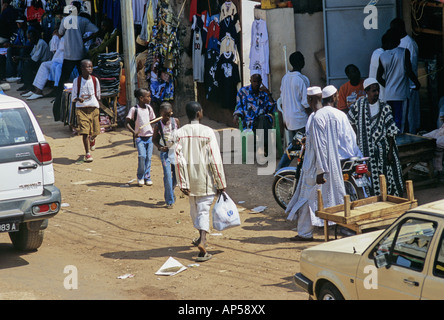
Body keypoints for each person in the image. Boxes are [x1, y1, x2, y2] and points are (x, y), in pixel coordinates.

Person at [285, 86, 345, 241]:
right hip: (331, 163)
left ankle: (304, 233)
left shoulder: (317, 117)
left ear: (310, 99)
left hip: (315, 167)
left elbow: (320, 146)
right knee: (332, 197)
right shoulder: (330, 115)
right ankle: (339, 230)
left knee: (306, 198)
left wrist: (320, 171)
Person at [174, 101, 226, 261]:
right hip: (206, 178)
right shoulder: (208, 132)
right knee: (203, 210)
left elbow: (178, 159)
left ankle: (199, 237)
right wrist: (220, 183)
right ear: (199, 113)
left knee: (194, 209)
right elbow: (214, 159)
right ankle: (203, 241)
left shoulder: (179, 133)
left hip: (189, 179)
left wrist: (182, 182)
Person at [348, 78, 404, 197]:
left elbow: (391, 132)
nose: (376, 93)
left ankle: (387, 198)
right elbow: (350, 120)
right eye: (374, 91)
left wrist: (390, 152)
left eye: (377, 90)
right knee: (369, 178)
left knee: (386, 177)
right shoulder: (359, 105)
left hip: (384, 151)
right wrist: (357, 135)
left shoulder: (385, 107)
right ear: (367, 91)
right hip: (366, 151)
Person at [52, 1, 99, 121]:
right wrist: (85, 38)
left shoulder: (65, 20)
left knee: (62, 83)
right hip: (81, 55)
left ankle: (57, 113)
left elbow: (60, 33)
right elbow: (96, 30)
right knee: (87, 80)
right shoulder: (84, 21)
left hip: (68, 55)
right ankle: (92, 107)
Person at [377, 28, 420, 133]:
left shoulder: (382, 56)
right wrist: (417, 84)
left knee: (390, 123)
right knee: (401, 123)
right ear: (397, 40)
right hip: (401, 95)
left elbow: (378, 77)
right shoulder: (404, 52)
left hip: (388, 95)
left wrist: (388, 85)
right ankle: (400, 146)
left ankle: (392, 145)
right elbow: (409, 72)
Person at [277, 51, 310, 169]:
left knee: (293, 146)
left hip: (289, 119)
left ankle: (280, 169)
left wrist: (284, 118)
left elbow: (283, 98)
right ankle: (301, 171)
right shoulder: (302, 79)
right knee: (305, 146)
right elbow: (306, 103)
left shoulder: (285, 78)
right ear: (302, 63)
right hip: (301, 119)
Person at [233, 73, 276, 155]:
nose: (256, 84)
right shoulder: (243, 92)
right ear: (250, 81)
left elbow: (272, 109)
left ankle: (263, 146)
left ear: (261, 82)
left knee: (263, 119)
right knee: (263, 122)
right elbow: (239, 106)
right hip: (250, 122)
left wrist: (268, 94)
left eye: (258, 82)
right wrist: (236, 115)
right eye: (254, 81)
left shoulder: (264, 93)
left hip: (263, 121)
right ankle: (265, 147)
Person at [391, 18, 420, 134]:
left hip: (409, 86)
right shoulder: (395, 42)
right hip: (400, 86)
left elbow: (410, 67)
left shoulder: (409, 43)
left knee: (410, 115)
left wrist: (414, 83)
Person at [321, 85, 363, 161]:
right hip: (343, 158)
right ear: (333, 97)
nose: (338, 99)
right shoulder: (340, 115)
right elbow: (349, 137)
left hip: (325, 159)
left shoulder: (316, 115)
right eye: (337, 96)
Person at [124, 88, 156, 187]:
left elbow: (152, 121)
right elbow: (127, 123)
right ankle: (140, 176)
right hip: (140, 138)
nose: (150, 98)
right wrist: (134, 132)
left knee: (148, 158)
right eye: (148, 96)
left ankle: (147, 176)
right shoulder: (134, 109)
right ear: (141, 98)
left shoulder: (149, 108)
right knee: (142, 156)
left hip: (149, 137)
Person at [72, 59, 101, 163]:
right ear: (82, 69)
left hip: (93, 108)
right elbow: (74, 96)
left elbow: (98, 94)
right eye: (87, 67)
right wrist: (79, 99)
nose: (90, 69)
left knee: (96, 131)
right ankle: (87, 153)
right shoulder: (77, 81)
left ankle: (92, 139)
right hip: (81, 109)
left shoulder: (94, 80)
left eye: (91, 67)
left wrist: (98, 106)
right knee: (84, 132)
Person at [153, 102, 180, 209]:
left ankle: (171, 189)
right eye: (165, 115)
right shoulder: (158, 125)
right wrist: (160, 147)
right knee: (168, 175)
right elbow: (154, 139)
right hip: (165, 153)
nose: (168, 117)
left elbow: (180, 134)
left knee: (177, 175)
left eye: (169, 114)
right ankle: (169, 200)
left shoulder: (176, 121)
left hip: (176, 151)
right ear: (161, 113)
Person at [22, 34, 64, 100]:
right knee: (44, 65)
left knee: (57, 67)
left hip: (65, 61)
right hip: (58, 60)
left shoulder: (67, 36)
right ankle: (37, 90)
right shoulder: (58, 37)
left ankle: (54, 90)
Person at [15, 28, 51, 92]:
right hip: (39, 62)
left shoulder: (41, 43)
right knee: (25, 61)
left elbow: (34, 59)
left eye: (31, 38)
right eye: (28, 38)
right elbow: (32, 55)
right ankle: (26, 84)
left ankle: (30, 87)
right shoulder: (35, 44)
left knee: (27, 64)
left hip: (44, 63)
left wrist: (20, 58)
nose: (29, 40)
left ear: (35, 37)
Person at [4, 15, 31, 82]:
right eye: (17, 22)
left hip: (29, 50)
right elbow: (16, 43)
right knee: (9, 50)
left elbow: (28, 46)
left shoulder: (29, 30)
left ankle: (19, 74)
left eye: (20, 22)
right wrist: (10, 45)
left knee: (22, 51)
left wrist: (13, 46)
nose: (18, 24)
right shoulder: (20, 31)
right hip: (21, 48)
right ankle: (9, 74)